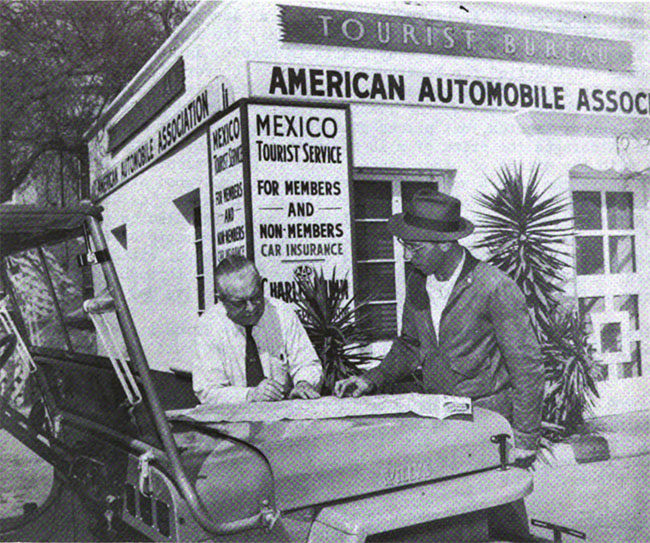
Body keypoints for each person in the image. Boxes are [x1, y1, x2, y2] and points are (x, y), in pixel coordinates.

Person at [335, 189, 545, 467]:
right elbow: (411, 345)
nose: (408, 256)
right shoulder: (417, 282)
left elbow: (527, 366)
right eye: (404, 245)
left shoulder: (494, 287)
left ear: (446, 244)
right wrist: (370, 379)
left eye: (416, 247)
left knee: (493, 507)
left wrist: (526, 438)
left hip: (487, 427)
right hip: (440, 422)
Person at [194, 255, 322, 404]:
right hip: (234, 418)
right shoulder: (209, 326)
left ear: (261, 286)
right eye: (240, 303)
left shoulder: (282, 313)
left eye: (256, 297)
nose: (251, 308)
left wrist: (304, 383)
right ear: (222, 300)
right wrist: (250, 395)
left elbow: (307, 363)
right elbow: (207, 391)